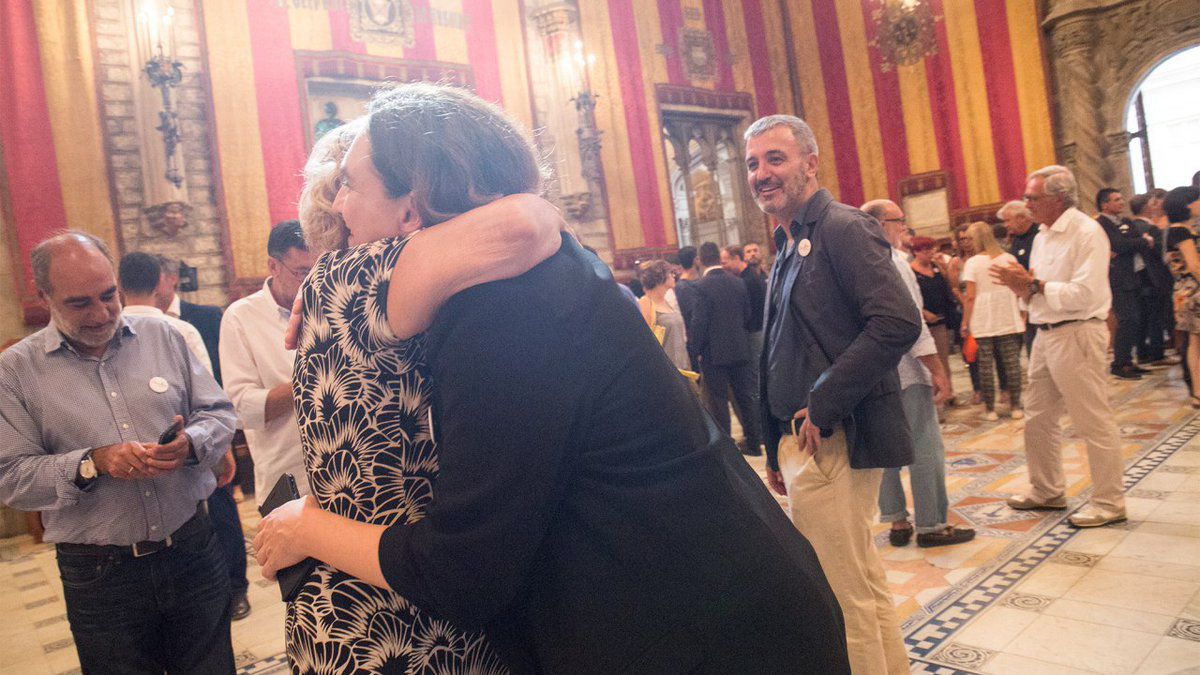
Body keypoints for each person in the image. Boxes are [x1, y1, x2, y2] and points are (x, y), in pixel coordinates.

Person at [256, 85, 849, 673]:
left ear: (411, 209)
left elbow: (463, 570)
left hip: (712, 632)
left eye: (350, 185)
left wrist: (306, 526)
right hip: (704, 602)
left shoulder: (505, 312)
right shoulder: (528, 273)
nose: (338, 206)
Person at [273, 111, 568, 673]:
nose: (341, 203)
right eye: (344, 186)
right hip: (393, 616)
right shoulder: (357, 277)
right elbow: (525, 224)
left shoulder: (343, 284)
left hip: (374, 596)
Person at [0, 232, 238, 672]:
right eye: (79, 303)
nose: (101, 313)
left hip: (192, 548)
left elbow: (219, 413)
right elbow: (11, 478)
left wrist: (190, 444)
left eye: (109, 295)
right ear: (44, 296)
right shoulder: (16, 371)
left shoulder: (162, 336)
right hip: (100, 576)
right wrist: (93, 463)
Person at [747, 114, 919, 674]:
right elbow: (781, 348)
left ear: (811, 163)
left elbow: (896, 322)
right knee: (860, 582)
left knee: (840, 599)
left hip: (834, 434)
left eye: (775, 158)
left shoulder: (842, 227)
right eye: (753, 163)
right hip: (804, 441)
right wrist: (774, 445)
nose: (762, 173)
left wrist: (822, 402)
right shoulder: (789, 239)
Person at [991, 165, 1127, 528]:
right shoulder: (1042, 235)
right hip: (1045, 332)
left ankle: (1109, 502)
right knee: (1037, 417)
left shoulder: (1087, 232)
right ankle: (1047, 489)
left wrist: (1034, 286)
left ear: (1059, 198)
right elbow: (1037, 288)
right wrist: (1021, 287)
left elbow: (1085, 294)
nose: (1027, 204)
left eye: (1033, 198)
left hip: (1078, 332)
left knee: (1092, 420)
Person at [863, 200, 973, 548]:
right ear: (881, 224)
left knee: (884, 447)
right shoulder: (894, 261)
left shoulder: (853, 262)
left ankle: (897, 520)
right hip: (906, 369)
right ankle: (932, 524)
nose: (904, 228)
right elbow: (911, 322)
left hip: (871, 373)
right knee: (925, 445)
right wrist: (937, 369)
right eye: (899, 221)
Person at [155, 254, 250, 619]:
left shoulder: (205, 318)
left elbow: (219, 378)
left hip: (206, 430)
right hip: (162, 436)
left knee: (222, 506)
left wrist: (222, 437)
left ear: (171, 279)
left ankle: (237, 587)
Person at [219, 220, 314, 508]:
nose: (311, 281)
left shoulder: (328, 305)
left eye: (317, 270)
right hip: (287, 478)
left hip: (343, 471)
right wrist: (311, 380)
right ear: (274, 266)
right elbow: (242, 409)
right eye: (302, 272)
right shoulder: (240, 318)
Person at [690, 241, 763, 456]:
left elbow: (699, 322)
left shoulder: (700, 286)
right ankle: (754, 444)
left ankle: (728, 450)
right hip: (740, 348)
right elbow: (747, 314)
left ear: (701, 260)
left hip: (714, 353)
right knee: (745, 397)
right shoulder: (737, 282)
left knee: (718, 402)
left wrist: (696, 350)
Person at [960, 221, 1026, 420]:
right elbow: (1019, 288)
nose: (968, 243)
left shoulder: (973, 263)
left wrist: (965, 321)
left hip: (983, 317)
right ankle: (1015, 406)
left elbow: (970, 296)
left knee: (985, 366)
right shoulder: (1009, 258)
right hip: (1007, 314)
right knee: (1012, 364)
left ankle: (990, 410)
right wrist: (1021, 312)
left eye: (970, 239)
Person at [118, 251, 213, 374]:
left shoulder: (107, 334)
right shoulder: (184, 331)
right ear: (158, 284)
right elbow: (205, 383)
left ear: (118, 284)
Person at [1096, 187, 1152, 380]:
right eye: (1116, 199)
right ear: (1105, 204)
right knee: (1128, 319)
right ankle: (1119, 363)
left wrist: (1133, 242)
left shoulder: (1126, 221)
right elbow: (1119, 245)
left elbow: (1132, 241)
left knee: (1137, 319)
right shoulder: (1101, 224)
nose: (1121, 202)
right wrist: (1139, 241)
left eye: (1121, 199)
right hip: (1118, 278)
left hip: (1134, 275)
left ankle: (1128, 360)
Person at [1162, 186, 1200, 406]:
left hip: (1187, 289)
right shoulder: (1180, 231)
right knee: (1195, 342)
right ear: (1186, 205)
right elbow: (1193, 265)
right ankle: (1197, 391)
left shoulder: (1182, 229)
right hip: (1193, 290)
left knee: (1195, 341)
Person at [911, 236, 959, 405]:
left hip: (940, 320)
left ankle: (948, 392)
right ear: (916, 252)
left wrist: (945, 268)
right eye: (926, 250)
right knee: (929, 362)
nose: (930, 253)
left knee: (943, 359)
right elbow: (911, 297)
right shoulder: (911, 271)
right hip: (924, 322)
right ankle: (934, 397)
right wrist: (924, 312)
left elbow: (949, 287)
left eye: (932, 249)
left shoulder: (936, 267)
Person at [1130, 191, 1176, 367]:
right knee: (1155, 316)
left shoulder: (1130, 227)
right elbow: (1161, 254)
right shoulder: (1151, 229)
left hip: (1136, 277)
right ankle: (1157, 354)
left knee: (1142, 316)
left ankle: (1142, 352)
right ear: (1146, 208)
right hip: (1153, 277)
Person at [998, 200, 1040, 353]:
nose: (1006, 225)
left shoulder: (1039, 236)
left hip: (1040, 297)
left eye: (1007, 220)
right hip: (1025, 302)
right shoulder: (1016, 240)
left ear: (1021, 218)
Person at [637, 260, 690, 371]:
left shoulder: (667, 300)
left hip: (682, 367)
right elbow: (645, 342)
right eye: (670, 273)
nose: (673, 276)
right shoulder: (646, 303)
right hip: (665, 370)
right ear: (660, 277)